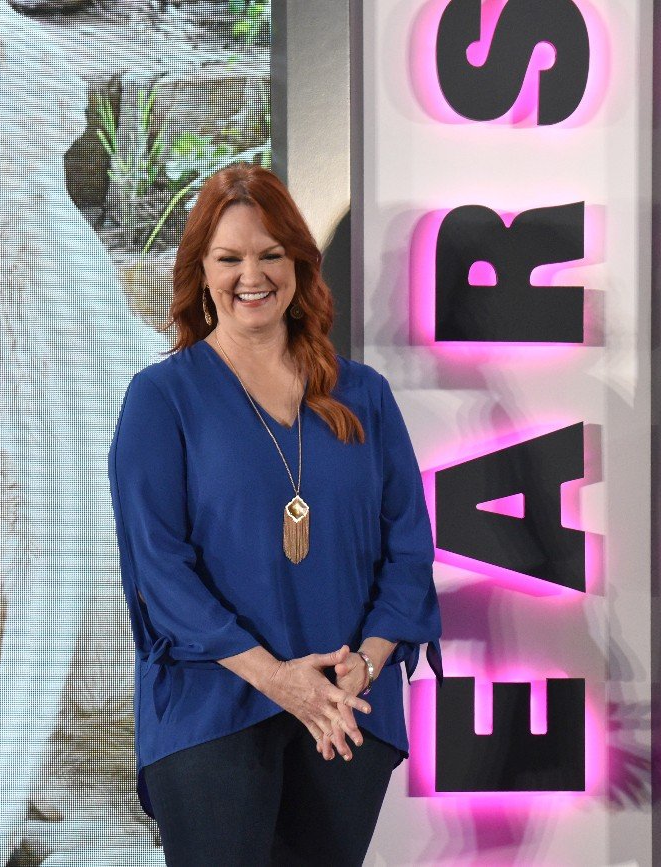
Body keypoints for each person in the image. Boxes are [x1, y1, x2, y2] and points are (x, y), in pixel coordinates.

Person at [108, 163, 441, 866]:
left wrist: (366, 666)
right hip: (212, 711)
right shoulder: (160, 398)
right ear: (201, 271)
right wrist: (280, 680)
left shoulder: (366, 395)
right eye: (229, 257)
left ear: (298, 265)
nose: (250, 275)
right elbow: (159, 572)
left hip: (345, 707)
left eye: (270, 254)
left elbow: (409, 549)